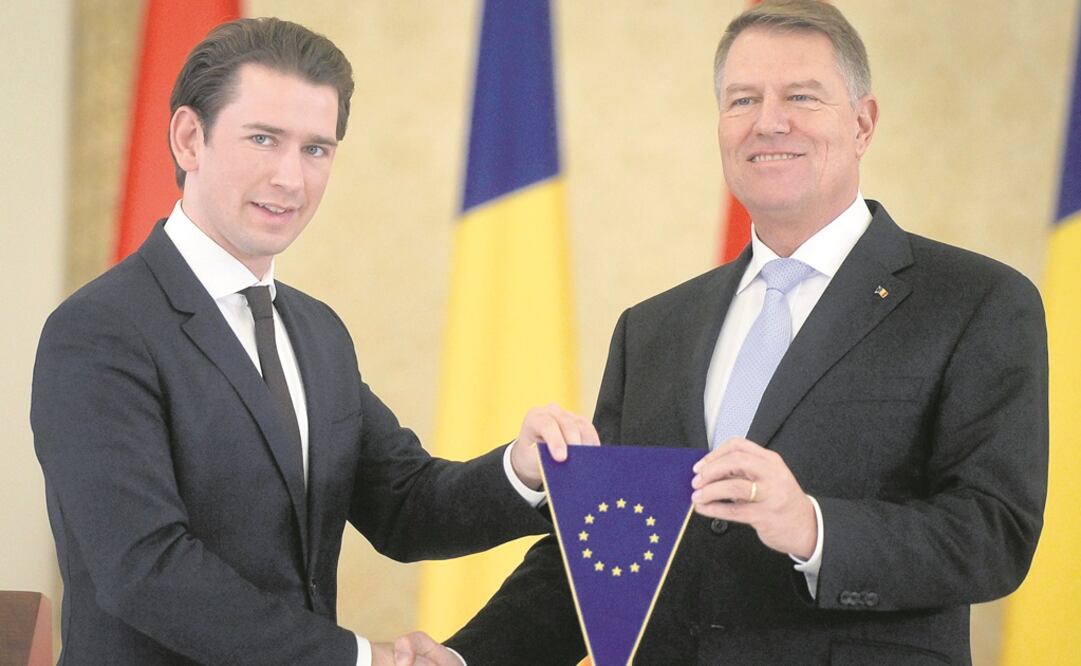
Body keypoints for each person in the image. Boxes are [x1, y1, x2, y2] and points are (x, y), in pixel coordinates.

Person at [401, 1, 1048, 663]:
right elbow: (606, 548)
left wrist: (811, 527)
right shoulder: (651, 330)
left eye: (801, 95)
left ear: (862, 123)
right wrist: (468, 658)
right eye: (742, 99)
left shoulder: (976, 303)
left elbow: (993, 535)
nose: (768, 121)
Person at [31, 17, 598, 666]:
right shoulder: (99, 331)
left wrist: (520, 471)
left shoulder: (317, 331)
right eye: (264, 139)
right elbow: (145, 568)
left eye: (315, 149)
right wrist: (360, 659)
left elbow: (402, 504)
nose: (291, 179)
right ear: (190, 138)